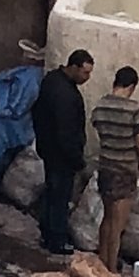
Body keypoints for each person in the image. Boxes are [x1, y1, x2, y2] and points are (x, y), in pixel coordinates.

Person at [32, 49, 92, 259]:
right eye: (85, 73)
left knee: (52, 192)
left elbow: (37, 113)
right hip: (61, 155)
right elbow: (66, 132)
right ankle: (56, 240)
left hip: (48, 149)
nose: (87, 78)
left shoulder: (52, 80)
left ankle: (47, 233)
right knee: (59, 196)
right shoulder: (65, 95)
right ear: (74, 67)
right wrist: (77, 160)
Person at [89, 64, 139, 270]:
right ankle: (111, 269)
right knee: (118, 224)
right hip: (124, 171)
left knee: (106, 218)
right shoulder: (135, 110)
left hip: (105, 167)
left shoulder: (100, 106)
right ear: (131, 86)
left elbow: (98, 127)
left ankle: (101, 260)